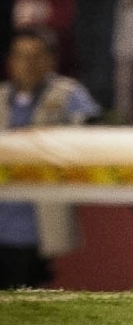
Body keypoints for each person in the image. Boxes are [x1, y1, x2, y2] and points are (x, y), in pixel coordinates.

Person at [0, 29, 100, 288]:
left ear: (51, 60)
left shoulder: (68, 94)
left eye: (36, 56)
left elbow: (93, 134)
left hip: (41, 225)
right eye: (21, 56)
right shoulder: (1, 96)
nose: (28, 64)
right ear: (10, 61)